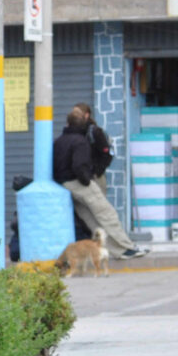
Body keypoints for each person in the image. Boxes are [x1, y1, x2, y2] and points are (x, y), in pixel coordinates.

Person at [53, 107, 148, 260]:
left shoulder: (59, 141)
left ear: (67, 123)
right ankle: (127, 248)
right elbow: (79, 166)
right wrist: (87, 180)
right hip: (79, 183)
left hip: (65, 185)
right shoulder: (80, 141)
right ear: (84, 122)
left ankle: (116, 251)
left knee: (91, 220)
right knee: (107, 214)